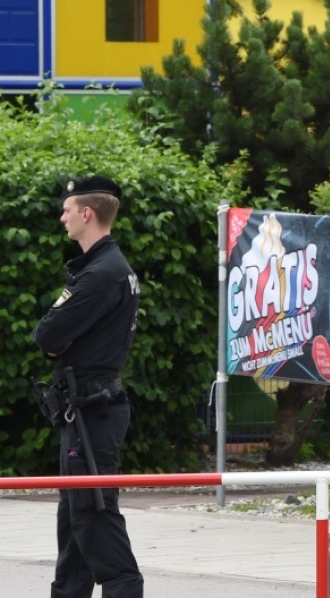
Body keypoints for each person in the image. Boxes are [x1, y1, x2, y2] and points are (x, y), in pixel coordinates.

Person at [32, 175, 144, 598]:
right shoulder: (104, 268)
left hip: (93, 407)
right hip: (85, 407)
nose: (62, 217)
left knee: (93, 515)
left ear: (86, 213)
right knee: (74, 520)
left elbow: (47, 336)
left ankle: (124, 590)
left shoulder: (101, 274)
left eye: (67, 209)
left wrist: (62, 343)